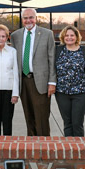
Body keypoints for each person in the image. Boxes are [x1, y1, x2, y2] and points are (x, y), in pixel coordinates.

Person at [11, 8, 56, 136]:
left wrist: (52, 82)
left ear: (36, 18)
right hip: (24, 81)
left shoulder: (47, 34)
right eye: (25, 18)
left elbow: (52, 58)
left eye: (31, 17)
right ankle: (31, 149)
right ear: (22, 20)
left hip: (41, 83)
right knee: (29, 118)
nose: (28, 20)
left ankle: (44, 149)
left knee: (41, 119)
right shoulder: (15, 36)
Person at [54, 25, 85, 137]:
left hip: (80, 92)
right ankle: (69, 150)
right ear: (63, 37)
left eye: (72, 35)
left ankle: (79, 151)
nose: (69, 37)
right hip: (62, 92)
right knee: (67, 123)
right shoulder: (58, 50)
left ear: (77, 36)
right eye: (67, 35)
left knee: (77, 123)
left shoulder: (84, 50)